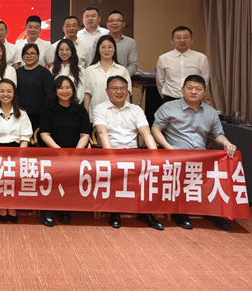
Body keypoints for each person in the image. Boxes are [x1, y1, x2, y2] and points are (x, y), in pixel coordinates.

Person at [152, 75, 237, 231]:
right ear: (182, 90)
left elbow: (217, 134)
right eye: (189, 88)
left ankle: (212, 211)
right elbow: (156, 129)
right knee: (180, 170)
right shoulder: (168, 107)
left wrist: (226, 143)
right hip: (175, 155)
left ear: (204, 92)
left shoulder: (210, 112)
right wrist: (168, 148)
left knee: (224, 168)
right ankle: (180, 212)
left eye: (198, 89)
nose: (193, 92)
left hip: (201, 157)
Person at [93, 75, 162, 230]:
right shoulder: (100, 109)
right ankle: (114, 211)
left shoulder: (136, 110)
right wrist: (112, 158)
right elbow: (102, 134)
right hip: (110, 152)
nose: (119, 91)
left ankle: (145, 212)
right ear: (107, 91)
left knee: (151, 170)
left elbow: (146, 133)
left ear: (128, 91)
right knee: (114, 170)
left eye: (123, 88)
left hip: (134, 153)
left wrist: (156, 156)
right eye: (115, 88)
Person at [39, 76, 91, 226]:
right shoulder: (47, 110)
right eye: (60, 88)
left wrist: (76, 152)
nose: (64, 91)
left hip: (75, 152)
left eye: (68, 87)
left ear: (73, 90)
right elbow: (44, 134)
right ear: (55, 91)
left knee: (71, 171)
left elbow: (85, 135)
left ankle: (64, 206)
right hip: (52, 152)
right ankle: (47, 208)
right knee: (53, 171)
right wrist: (59, 151)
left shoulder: (80, 110)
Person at [0, 79, 32, 223]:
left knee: (16, 173)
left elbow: (25, 138)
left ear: (14, 93)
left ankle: (12, 205)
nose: (5, 94)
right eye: (2, 91)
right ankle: (2, 205)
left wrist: (19, 157)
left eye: (9, 91)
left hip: (17, 151)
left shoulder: (22, 114)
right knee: (0, 172)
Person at [156, 26, 209, 104]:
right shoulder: (163, 58)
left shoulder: (201, 58)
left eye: (186, 37)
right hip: (170, 100)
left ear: (191, 40)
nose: (182, 40)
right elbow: (160, 82)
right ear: (172, 41)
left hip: (193, 99)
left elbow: (204, 80)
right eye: (178, 37)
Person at [83, 35, 131, 120]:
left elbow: (126, 95)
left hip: (118, 117)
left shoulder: (122, 70)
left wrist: (126, 116)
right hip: (95, 116)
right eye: (103, 47)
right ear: (98, 49)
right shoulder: (89, 70)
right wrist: (85, 117)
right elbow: (87, 95)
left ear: (114, 49)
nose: (107, 50)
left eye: (110, 47)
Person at [15, 43, 53, 132]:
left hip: (38, 115)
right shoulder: (17, 72)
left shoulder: (44, 73)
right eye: (26, 54)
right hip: (19, 114)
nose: (29, 56)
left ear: (38, 55)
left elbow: (49, 95)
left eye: (32, 53)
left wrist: (46, 114)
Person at [103, 10, 138, 77]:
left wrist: (122, 77)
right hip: (102, 78)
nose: (115, 23)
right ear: (107, 24)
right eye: (111, 21)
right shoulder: (98, 41)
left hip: (122, 79)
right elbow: (94, 62)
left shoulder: (130, 42)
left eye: (118, 20)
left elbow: (133, 65)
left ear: (124, 24)